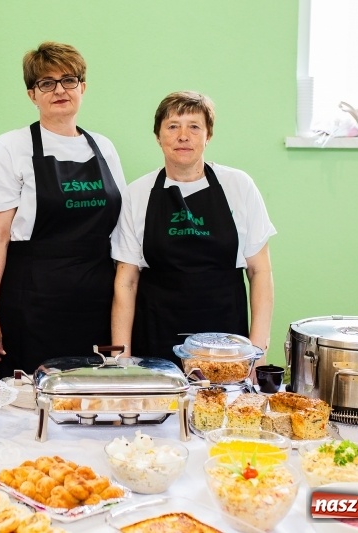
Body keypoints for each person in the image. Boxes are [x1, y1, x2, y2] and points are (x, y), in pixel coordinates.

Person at [0, 42, 126, 378]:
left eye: (68, 80)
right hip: (31, 302)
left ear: (82, 88)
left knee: (90, 403)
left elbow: (120, 232)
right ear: (33, 95)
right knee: (26, 408)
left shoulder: (104, 147)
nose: (59, 90)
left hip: (95, 302)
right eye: (46, 83)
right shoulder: (11, 147)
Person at [111, 91, 275, 367]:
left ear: (208, 135)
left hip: (226, 342)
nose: (183, 136)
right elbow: (126, 282)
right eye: (173, 126)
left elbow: (260, 272)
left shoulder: (239, 185)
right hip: (156, 337)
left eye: (194, 127)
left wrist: (257, 353)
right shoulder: (137, 193)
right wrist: (120, 359)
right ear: (158, 136)